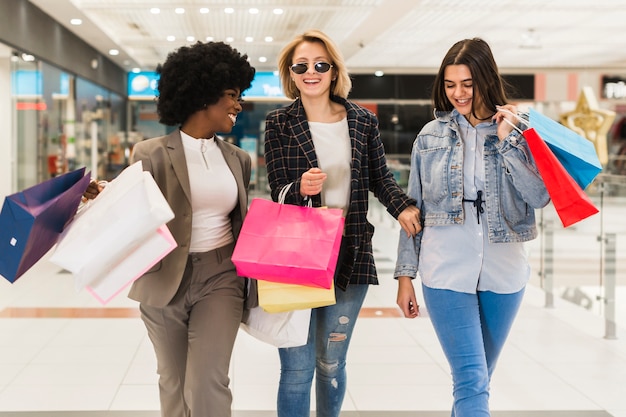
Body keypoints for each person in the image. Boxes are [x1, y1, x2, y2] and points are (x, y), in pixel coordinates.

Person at [84, 41, 255, 417]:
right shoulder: (151, 152)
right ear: (202, 95)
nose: (238, 105)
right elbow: (134, 198)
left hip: (221, 275)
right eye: (231, 95)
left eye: (240, 96)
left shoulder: (238, 160)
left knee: (207, 380)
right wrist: (101, 192)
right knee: (174, 382)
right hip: (165, 276)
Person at [264, 29, 421, 417]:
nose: (311, 72)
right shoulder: (279, 123)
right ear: (291, 73)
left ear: (334, 71)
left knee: (331, 363)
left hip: (349, 253)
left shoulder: (361, 121)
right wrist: (299, 188)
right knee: (297, 369)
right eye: (301, 66)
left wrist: (401, 207)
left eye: (320, 65)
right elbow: (276, 190)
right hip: (297, 257)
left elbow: (381, 178)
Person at [394, 38, 550, 417]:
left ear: (485, 79)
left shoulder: (518, 129)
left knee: (478, 380)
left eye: (467, 83)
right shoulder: (429, 137)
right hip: (444, 271)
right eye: (450, 85)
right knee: (471, 378)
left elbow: (540, 196)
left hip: (504, 273)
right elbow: (413, 208)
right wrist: (404, 276)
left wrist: (508, 142)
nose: (459, 94)